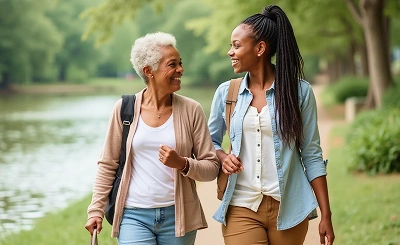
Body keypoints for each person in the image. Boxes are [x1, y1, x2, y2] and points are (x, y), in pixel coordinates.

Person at [208, 5, 335, 245]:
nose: (230, 52)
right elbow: (208, 141)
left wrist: (326, 214)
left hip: (289, 206)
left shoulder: (299, 93)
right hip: (241, 204)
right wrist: (223, 156)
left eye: (236, 45)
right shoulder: (227, 92)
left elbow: (311, 155)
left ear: (260, 48)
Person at [85, 32, 220, 245]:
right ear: (149, 71)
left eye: (180, 63)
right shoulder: (124, 109)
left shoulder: (191, 110)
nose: (180, 70)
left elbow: (211, 167)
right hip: (133, 215)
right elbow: (108, 164)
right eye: (172, 64)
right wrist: (96, 211)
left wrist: (183, 164)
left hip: (179, 217)